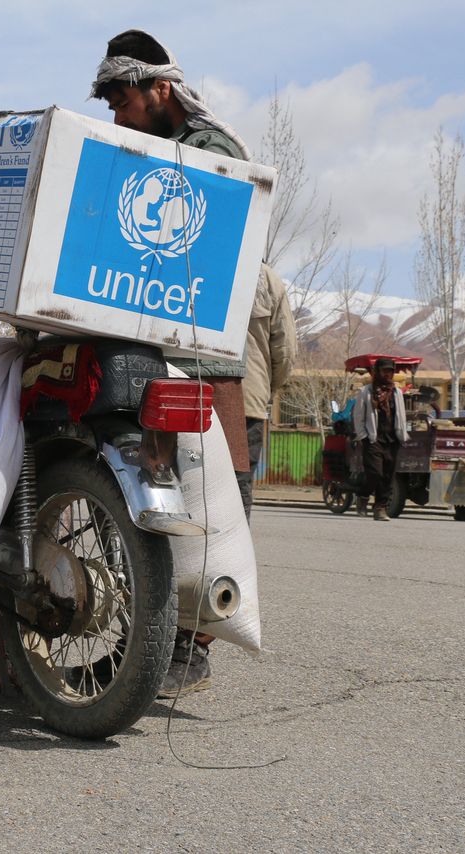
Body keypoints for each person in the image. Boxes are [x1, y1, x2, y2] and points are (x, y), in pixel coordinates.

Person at [91, 28, 255, 699]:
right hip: (153, 350)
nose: (117, 115)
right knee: (149, 505)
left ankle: (190, 647)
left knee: (216, 504)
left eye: (122, 100)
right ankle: (145, 646)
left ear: (161, 91)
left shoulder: (209, 154)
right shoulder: (153, 155)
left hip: (204, 359)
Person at [241, 266, 298, 517]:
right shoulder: (265, 277)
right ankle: (233, 554)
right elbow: (284, 349)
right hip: (246, 399)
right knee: (237, 481)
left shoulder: (189, 258)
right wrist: (268, 389)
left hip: (181, 392)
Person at [351, 358, 408, 521]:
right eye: (384, 371)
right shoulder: (366, 392)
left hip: (392, 439)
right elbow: (358, 416)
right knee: (375, 473)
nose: (388, 374)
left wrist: (402, 436)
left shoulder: (396, 393)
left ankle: (380, 508)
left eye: (390, 371)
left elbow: (401, 415)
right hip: (373, 438)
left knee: (388, 476)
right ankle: (363, 496)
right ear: (377, 372)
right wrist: (363, 436)